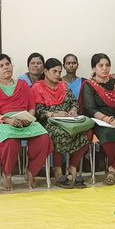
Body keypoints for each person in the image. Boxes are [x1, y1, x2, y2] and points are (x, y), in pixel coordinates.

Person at [0, 53, 52, 191]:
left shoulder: (22, 84)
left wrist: (29, 118)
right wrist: (7, 120)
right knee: (10, 141)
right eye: (1, 66)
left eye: (7, 64)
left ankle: (31, 172)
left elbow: (31, 107)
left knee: (44, 138)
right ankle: (7, 175)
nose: (6, 67)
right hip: (1, 122)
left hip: (24, 120)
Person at [33, 58, 90, 188]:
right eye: (54, 71)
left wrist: (73, 109)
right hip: (49, 122)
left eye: (59, 72)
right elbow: (38, 111)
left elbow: (74, 102)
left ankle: (73, 166)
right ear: (46, 71)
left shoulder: (64, 86)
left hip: (68, 120)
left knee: (88, 130)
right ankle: (58, 170)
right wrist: (55, 114)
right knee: (59, 132)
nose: (58, 75)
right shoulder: (38, 87)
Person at [82, 53, 115, 186]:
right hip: (99, 120)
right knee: (107, 133)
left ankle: (113, 169)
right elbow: (90, 109)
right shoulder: (89, 85)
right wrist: (108, 120)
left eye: (107, 65)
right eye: (101, 65)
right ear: (94, 68)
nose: (104, 68)